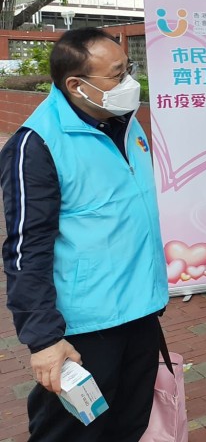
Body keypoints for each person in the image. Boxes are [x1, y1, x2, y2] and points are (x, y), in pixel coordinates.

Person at [1, 28, 167, 441]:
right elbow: (25, 251)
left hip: (140, 314)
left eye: (128, 68)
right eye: (117, 74)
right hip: (83, 331)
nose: (131, 81)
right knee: (72, 435)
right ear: (77, 84)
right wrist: (43, 340)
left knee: (130, 428)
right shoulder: (36, 145)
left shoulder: (125, 124)